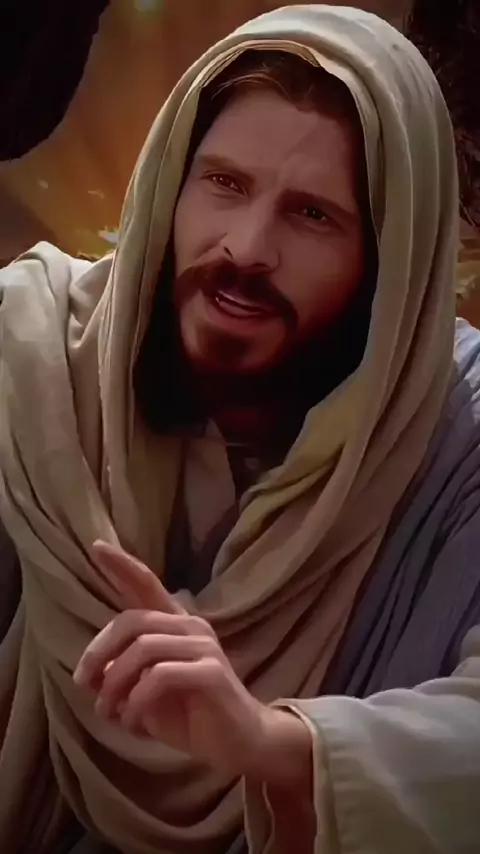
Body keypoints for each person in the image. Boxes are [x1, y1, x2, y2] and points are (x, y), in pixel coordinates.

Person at [1, 5, 480, 854]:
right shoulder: (31, 353)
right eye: (223, 183)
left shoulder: (459, 437)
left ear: (390, 260)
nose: (246, 248)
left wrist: (273, 744)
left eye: (312, 215)